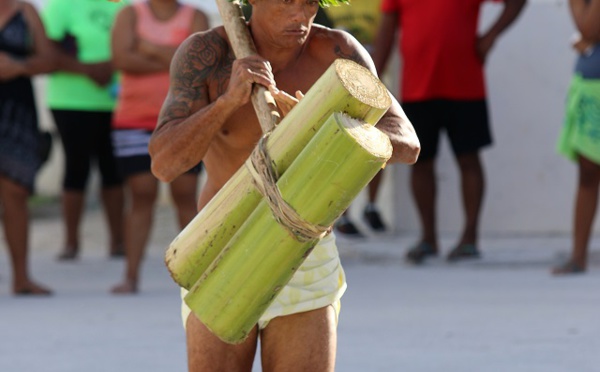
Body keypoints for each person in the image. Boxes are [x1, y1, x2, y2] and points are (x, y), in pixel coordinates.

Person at [148, 0, 420, 370]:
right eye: (285, 2)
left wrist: (326, 127)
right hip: (222, 246)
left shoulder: (336, 53)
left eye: (308, 2)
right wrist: (228, 102)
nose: (299, 15)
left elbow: (406, 142)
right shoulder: (208, 52)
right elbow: (165, 163)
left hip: (305, 248)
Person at [372, 0, 526, 264]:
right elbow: (387, 29)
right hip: (417, 87)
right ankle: (428, 238)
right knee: (420, 162)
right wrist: (372, 79)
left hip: (465, 86)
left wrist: (490, 37)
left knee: (469, 160)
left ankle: (469, 239)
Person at [109, 0, 209, 294]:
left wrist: (148, 49)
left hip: (184, 121)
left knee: (185, 195)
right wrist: (175, 61)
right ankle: (130, 275)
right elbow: (122, 59)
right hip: (134, 120)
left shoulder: (197, 15)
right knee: (140, 194)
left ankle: (198, 274)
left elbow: (197, 67)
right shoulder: (129, 14)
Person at [41, 0, 128, 260]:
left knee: (113, 171)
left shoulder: (123, 5)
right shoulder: (61, 6)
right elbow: (46, 51)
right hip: (71, 101)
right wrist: (87, 70)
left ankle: (118, 242)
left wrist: (111, 66)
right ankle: (71, 243)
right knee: (76, 169)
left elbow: (133, 43)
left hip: (116, 101)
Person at [0, 0, 53, 295]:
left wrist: (18, 66)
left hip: (16, 113)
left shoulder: (26, 11)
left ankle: (21, 277)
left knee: (16, 193)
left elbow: (49, 60)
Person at [325, 0, 388, 236]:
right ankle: (343, 215)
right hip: (336, 79)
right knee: (341, 146)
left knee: (379, 142)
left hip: (373, 78)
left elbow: (387, 32)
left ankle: (371, 206)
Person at [553, 0, 600, 275]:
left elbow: (589, 27)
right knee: (587, 172)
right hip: (589, 87)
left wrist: (585, 38)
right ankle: (578, 256)